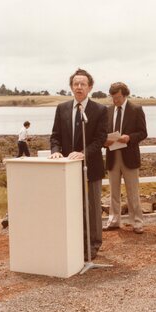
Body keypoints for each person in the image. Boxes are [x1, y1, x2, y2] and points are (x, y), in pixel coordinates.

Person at [50, 69, 108, 260]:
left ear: (90, 87)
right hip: (67, 169)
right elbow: (55, 136)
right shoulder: (62, 108)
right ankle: (75, 243)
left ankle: (93, 245)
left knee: (91, 208)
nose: (79, 87)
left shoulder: (99, 110)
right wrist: (56, 151)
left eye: (83, 84)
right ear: (71, 87)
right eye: (76, 84)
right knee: (71, 207)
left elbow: (100, 140)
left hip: (90, 167)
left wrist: (82, 154)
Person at [103, 82, 147, 234]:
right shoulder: (107, 110)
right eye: (113, 98)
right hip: (112, 155)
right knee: (114, 192)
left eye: (118, 97)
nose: (115, 101)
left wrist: (129, 138)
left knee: (133, 192)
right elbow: (102, 133)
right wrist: (104, 141)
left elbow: (143, 133)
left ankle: (137, 222)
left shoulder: (136, 109)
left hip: (129, 155)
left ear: (125, 95)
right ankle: (114, 220)